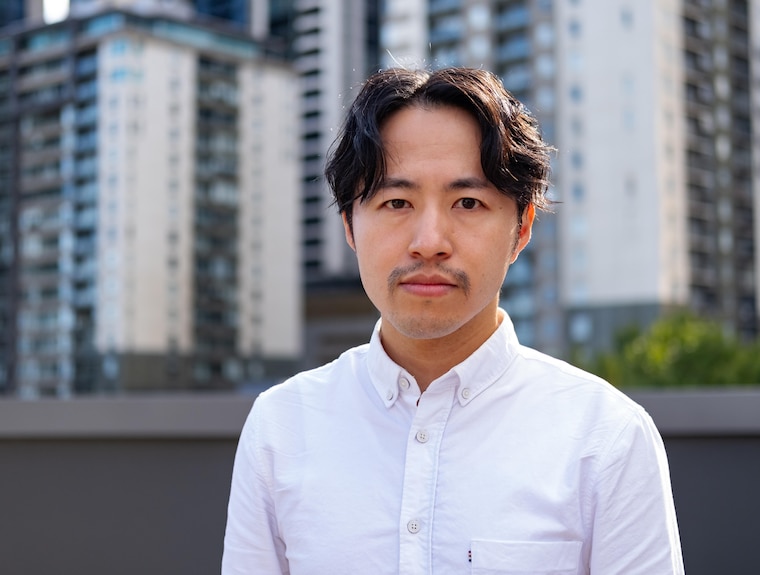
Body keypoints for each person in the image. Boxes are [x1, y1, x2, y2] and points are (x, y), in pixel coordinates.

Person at [222, 67, 684, 574]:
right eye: (396, 202)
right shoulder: (282, 428)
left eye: (468, 202)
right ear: (349, 225)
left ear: (522, 226)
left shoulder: (606, 439)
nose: (429, 240)